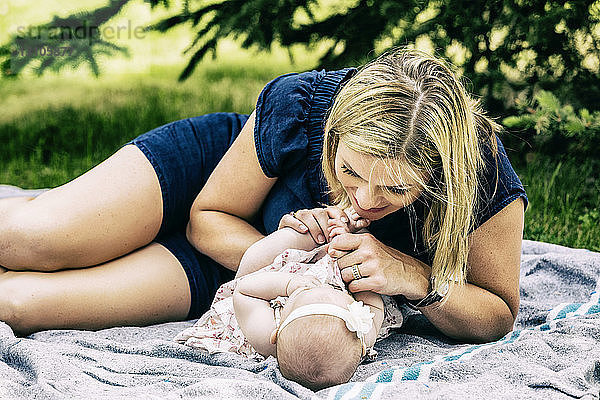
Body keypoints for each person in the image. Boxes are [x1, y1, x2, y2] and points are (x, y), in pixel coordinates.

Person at [0, 47, 527, 343]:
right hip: (209, 183)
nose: (363, 200)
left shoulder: (480, 175)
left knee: (22, 304)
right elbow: (207, 216)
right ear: (333, 133)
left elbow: (497, 311)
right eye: (348, 173)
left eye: (392, 190)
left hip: (242, 277)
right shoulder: (300, 104)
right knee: (28, 238)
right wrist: (294, 246)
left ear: (435, 178)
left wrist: (413, 277)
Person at [175, 210, 396, 390]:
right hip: (339, 267)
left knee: (274, 247)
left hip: (269, 285)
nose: (318, 286)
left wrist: (291, 285)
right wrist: (352, 249)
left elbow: (244, 290)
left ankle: (320, 231)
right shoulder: (362, 336)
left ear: (276, 331)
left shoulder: (266, 337)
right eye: (337, 297)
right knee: (359, 252)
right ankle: (349, 228)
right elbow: (373, 304)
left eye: (306, 294)